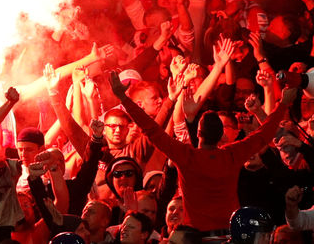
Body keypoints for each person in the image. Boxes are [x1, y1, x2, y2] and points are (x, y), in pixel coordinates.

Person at [109, 70, 296, 234]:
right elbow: (264, 134)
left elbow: (151, 129)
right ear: (221, 134)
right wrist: (284, 104)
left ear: (198, 132)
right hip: (228, 234)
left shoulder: (186, 155)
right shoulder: (232, 154)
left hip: (195, 236)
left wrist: (123, 98)